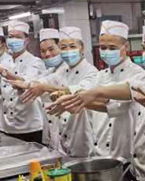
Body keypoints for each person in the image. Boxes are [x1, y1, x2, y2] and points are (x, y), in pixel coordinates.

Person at [48, 24, 145, 181]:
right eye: (144, 48)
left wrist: (95, 93)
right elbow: (112, 103)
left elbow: (137, 89)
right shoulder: (144, 76)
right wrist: (77, 99)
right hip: (138, 168)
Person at [14, 27, 98, 157]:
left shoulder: (91, 72)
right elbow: (43, 81)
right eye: (63, 48)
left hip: (81, 137)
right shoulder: (62, 71)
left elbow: (79, 92)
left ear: (82, 48)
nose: (68, 51)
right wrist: (28, 85)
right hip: (61, 136)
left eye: (72, 46)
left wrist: (44, 87)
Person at [88, 20, 144, 160]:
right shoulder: (100, 76)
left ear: (126, 47)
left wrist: (92, 97)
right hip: (98, 151)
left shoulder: (138, 75)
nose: (107, 52)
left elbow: (116, 107)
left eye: (112, 48)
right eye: (103, 47)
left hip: (124, 153)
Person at [0, 21, 46, 143]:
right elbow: (2, 89)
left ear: (26, 41)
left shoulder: (35, 62)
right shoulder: (4, 63)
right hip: (7, 124)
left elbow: (26, 84)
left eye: (18, 37)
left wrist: (2, 72)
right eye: (11, 36)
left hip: (29, 124)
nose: (13, 40)